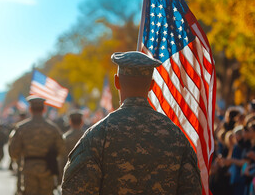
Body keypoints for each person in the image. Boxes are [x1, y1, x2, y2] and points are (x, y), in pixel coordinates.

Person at [61, 51, 202, 194]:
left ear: (117, 82)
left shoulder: (99, 134)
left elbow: (74, 189)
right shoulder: (176, 135)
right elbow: (193, 189)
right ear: (151, 85)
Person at [8, 95, 65, 195]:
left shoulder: (21, 128)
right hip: (47, 169)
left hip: (28, 170)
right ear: (44, 109)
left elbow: (13, 153)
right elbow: (62, 150)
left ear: (30, 109)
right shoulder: (53, 128)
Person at [60, 110, 84, 180]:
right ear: (82, 122)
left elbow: (61, 158)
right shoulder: (88, 136)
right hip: (84, 174)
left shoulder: (64, 138)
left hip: (68, 173)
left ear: (70, 122)